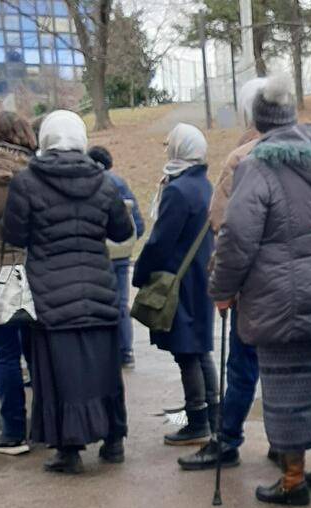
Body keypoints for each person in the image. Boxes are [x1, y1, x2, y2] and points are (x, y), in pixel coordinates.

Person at [210, 72, 311, 507]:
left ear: (258, 120)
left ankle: (292, 479)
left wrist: (222, 288)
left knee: (284, 386)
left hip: (275, 296)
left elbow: (237, 235)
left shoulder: (258, 165)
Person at [2, 110, 133, 473]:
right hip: (98, 288)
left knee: (58, 373)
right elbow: (122, 232)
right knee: (105, 369)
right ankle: (113, 441)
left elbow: (14, 235)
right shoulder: (103, 181)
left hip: (50, 292)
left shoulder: (26, 182)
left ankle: (69, 450)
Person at [178, 77, 269, 473]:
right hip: (304, 282)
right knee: (290, 366)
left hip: (255, 283)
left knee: (242, 366)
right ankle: (288, 445)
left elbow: (223, 223)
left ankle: (227, 440)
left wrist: (223, 286)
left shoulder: (242, 158)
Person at [132, 124, 216, 446]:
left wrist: (141, 274)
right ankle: (213, 415)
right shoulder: (204, 185)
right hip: (199, 277)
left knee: (186, 352)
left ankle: (197, 421)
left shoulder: (178, 190)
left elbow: (159, 242)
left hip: (178, 282)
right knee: (199, 348)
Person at [0, 112, 34, 455]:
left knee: (4, 354)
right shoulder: (37, 172)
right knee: (35, 352)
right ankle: (46, 424)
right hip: (31, 270)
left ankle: (14, 430)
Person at [87, 145, 145, 370]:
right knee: (121, 303)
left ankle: (103, 352)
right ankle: (126, 350)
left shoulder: (88, 183)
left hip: (98, 253)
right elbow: (137, 222)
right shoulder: (119, 183)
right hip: (121, 254)